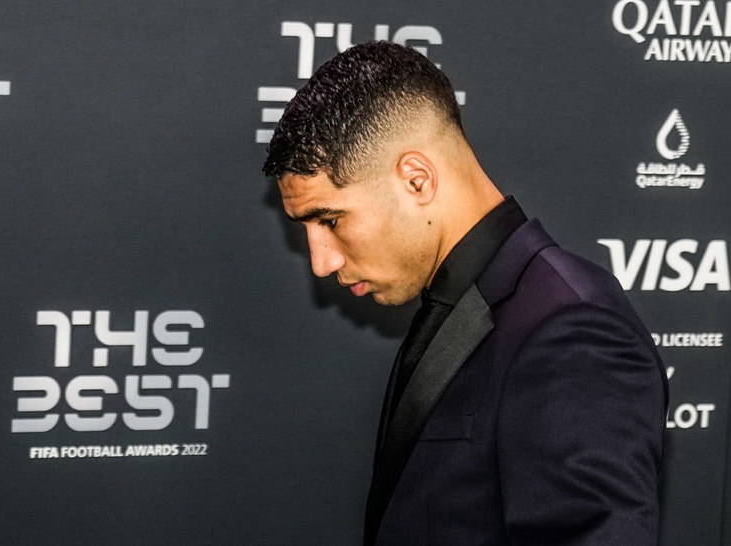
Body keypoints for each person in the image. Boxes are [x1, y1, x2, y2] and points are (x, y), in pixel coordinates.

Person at [263, 41, 667, 545]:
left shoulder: (570, 332)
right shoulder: (463, 302)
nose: (322, 262)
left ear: (416, 180)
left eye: (330, 219)